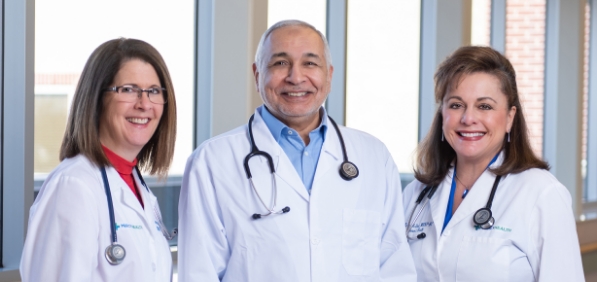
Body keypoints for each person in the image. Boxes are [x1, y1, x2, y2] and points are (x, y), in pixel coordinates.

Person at [178, 20, 417, 281]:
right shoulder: (213, 161)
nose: (296, 77)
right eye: (280, 63)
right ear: (258, 75)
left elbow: (395, 267)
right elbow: (199, 272)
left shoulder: (373, 157)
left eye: (310, 63)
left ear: (329, 75)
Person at [403, 46, 585, 281]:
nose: (468, 119)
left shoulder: (542, 194)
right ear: (442, 114)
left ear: (510, 117)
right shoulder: (417, 194)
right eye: (456, 105)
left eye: (485, 106)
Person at [20, 38, 177, 281]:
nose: (144, 104)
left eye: (154, 91)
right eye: (128, 89)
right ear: (96, 98)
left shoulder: (136, 186)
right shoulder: (74, 186)